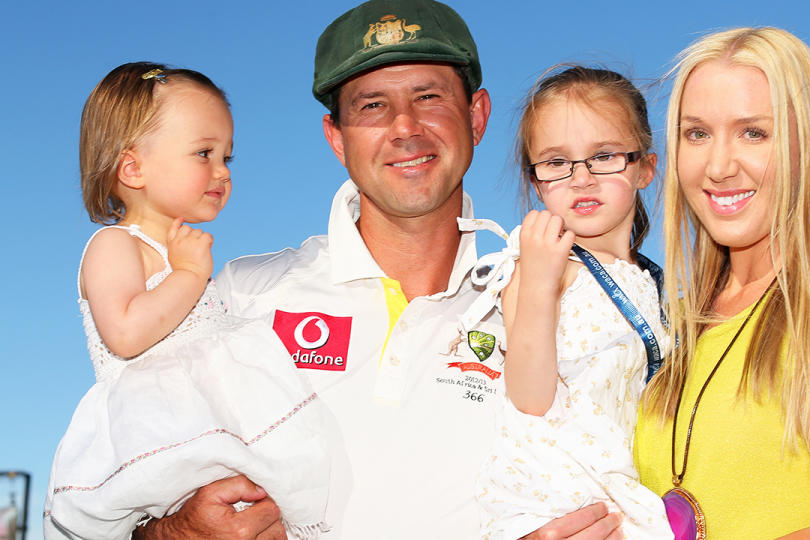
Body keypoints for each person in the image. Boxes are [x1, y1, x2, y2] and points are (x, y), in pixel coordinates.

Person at [133, 2, 624, 539]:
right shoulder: (240, 295)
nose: (405, 127)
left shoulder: (550, 308)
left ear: (477, 116)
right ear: (336, 137)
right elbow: (92, 498)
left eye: (429, 97)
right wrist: (171, 532)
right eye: (371, 106)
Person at [633, 27, 810, 538]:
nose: (718, 166)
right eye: (697, 134)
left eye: (753, 133)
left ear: (808, 145)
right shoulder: (662, 322)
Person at [43, 62, 330, 539]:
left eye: (227, 158)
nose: (222, 172)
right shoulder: (115, 245)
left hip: (209, 429)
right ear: (132, 168)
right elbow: (127, 333)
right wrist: (190, 274)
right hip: (160, 431)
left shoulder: (179, 252)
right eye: (204, 153)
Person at [460, 66, 672, 539]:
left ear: (644, 168)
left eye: (604, 156)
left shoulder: (652, 283)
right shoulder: (541, 268)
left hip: (618, 486)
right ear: (536, 182)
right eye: (557, 162)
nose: (582, 178)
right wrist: (538, 282)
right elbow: (531, 397)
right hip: (554, 493)